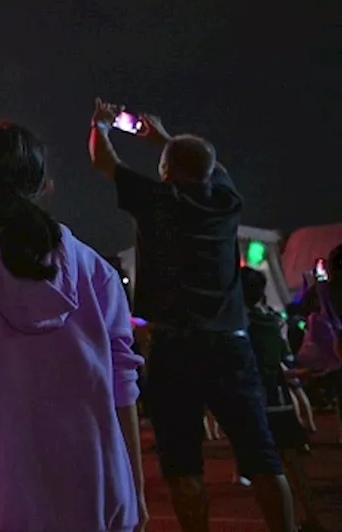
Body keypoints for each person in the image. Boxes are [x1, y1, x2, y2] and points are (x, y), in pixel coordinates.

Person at [89, 99, 293, 532]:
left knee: (183, 463)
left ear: (165, 171)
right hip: (231, 342)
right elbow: (204, 164)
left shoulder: (156, 201)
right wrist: (164, 138)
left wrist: (102, 125)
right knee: (261, 454)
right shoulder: (226, 201)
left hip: (174, 345)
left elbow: (103, 161)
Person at [0, 121, 146, 532]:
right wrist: (133, 487)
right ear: (42, 184)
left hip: (0, 490)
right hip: (98, 483)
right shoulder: (94, 269)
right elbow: (123, 385)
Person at [239, 266, 322, 530]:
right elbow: (284, 362)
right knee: (293, 467)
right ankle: (310, 517)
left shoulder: (241, 328)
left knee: (267, 471)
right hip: (281, 402)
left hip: (257, 404)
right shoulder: (271, 322)